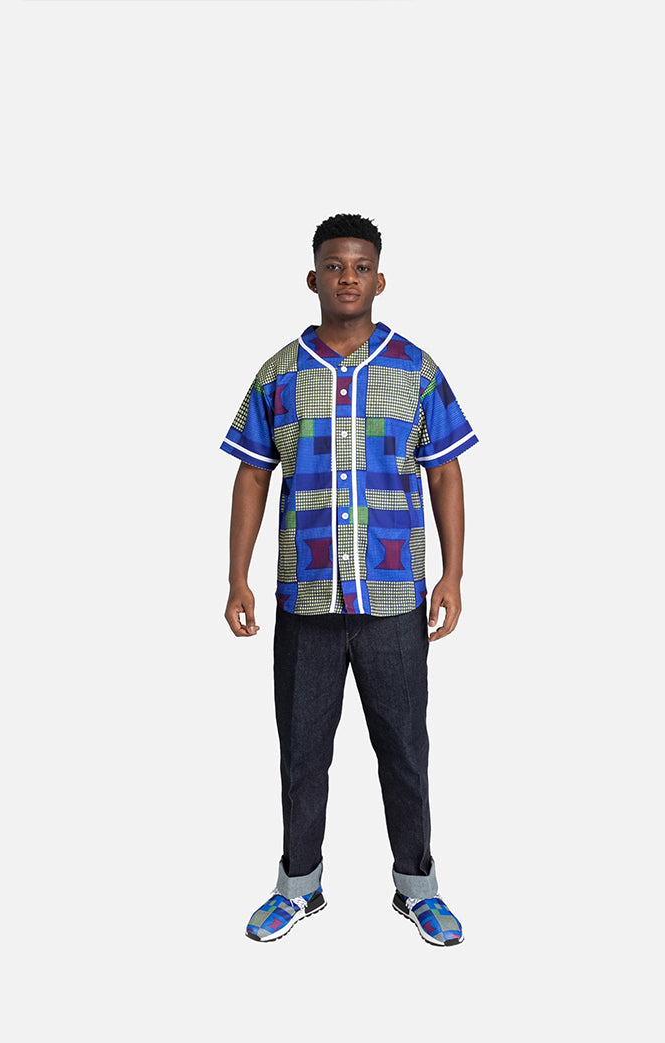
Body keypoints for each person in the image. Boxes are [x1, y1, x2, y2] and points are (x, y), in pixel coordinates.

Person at [220, 214, 478, 946]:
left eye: (361, 267)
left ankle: (418, 888)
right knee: (302, 754)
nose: (347, 278)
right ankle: (298, 886)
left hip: (394, 602)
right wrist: (237, 578)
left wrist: (453, 575)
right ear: (313, 277)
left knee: (405, 750)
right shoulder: (279, 372)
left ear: (380, 279)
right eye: (334, 266)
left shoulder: (416, 370)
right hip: (305, 598)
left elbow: (447, 473)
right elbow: (252, 475)